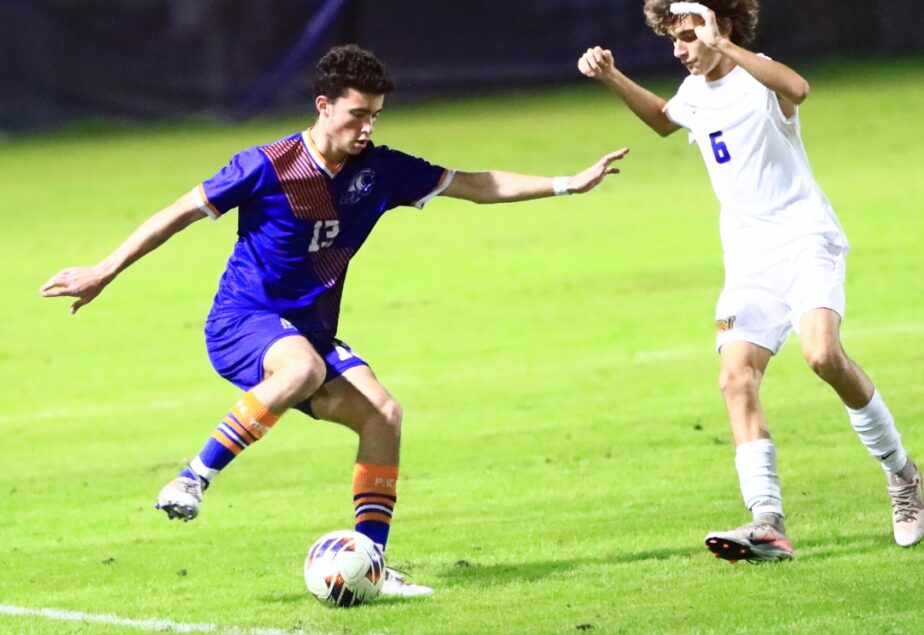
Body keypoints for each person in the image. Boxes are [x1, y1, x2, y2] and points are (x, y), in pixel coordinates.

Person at [40, 44, 628, 594]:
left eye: (375, 115)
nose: (367, 128)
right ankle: (193, 477)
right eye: (355, 115)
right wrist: (105, 269)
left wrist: (565, 184)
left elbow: (475, 184)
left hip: (310, 334)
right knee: (297, 367)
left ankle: (370, 565)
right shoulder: (267, 165)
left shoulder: (380, 170)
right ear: (323, 106)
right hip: (244, 322)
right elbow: (178, 213)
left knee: (385, 416)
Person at [577, 0, 924, 562]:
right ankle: (767, 523)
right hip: (748, 260)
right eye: (675, 38)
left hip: (805, 239)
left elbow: (799, 89)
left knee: (823, 355)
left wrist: (726, 47)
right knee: (735, 377)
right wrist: (613, 77)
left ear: (723, 24)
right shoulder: (693, 91)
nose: (682, 48)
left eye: (690, 34)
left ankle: (902, 474)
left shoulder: (757, 80)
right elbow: (666, 121)